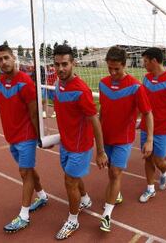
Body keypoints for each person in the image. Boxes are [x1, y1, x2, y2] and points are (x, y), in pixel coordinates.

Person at [0, 45, 48, 233]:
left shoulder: (25, 82)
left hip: (26, 136)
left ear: (13, 58)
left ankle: (24, 216)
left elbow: (34, 113)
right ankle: (43, 196)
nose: (3, 62)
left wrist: (39, 137)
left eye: (6, 58)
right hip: (11, 137)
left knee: (24, 173)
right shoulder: (1, 81)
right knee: (28, 170)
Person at [52, 45, 107, 240]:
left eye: (65, 64)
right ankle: (84, 199)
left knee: (69, 181)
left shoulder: (81, 90)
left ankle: (73, 220)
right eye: (57, 64)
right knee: (73, 178)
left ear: (73, 63)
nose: (60, 69)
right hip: (66, 144)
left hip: (80, 146)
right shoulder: (58, 84)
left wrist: (100, 152)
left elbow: (95, 121)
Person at [98, 46, 153, 232]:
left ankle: (106, 215)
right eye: (110, 68)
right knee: (111, 171)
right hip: (106, 138)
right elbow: (102, 112)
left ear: (124, 65)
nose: (113, 73)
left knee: (115, 173)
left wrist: (149, 139)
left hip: (123, 139)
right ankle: (117, 194)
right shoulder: (102, 83)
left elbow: (148, 113)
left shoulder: (136, 87)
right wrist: (98, 139)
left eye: (117, 69)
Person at [139, 47, 166, 202]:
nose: (143, 64)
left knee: (159, 161)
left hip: (163, 128)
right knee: (147, 158)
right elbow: (142, 102)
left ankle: (164, 173)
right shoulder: (146, 78)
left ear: (154, 61)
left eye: (145, 61)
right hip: (146, 127)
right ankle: (150, 188)